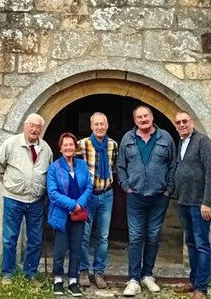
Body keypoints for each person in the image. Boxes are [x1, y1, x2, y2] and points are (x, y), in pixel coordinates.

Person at [117, 105, 176, 296]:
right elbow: (121, 166)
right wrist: (126, 186)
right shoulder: (128, 139)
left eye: (146, 116)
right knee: (135, 237)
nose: (143, 119)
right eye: (139, 117)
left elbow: (173, 165)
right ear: (135, 121)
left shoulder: (165, 138)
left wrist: (169, 189)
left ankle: (147, 275)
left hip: (159, 197)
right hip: (135, 197)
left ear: (152, 116)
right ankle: (133, 279)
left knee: (152, 236)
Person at [0, 113, 53, 285]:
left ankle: (30, 274)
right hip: (14, 198)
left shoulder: (46, 149)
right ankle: (7, 274)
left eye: (38, 127)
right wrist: (9, 183)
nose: (34, 129)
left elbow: (49, 172)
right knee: (10, 238)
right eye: (31, 125)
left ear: (41, 129)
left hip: (36, 200)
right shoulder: (11, 144)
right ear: (25, 126)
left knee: (34, 239)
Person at [173, 111, 211, 299]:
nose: (182, 125)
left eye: (185, 121)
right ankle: (193, 280)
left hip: (199, 204)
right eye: (178, 123)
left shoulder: (202, 141)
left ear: (191, 122)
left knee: (201, 245)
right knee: (190, 243)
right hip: (183, 201)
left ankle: (202, 289)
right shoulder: (181, 142)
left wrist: (206, 202)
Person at [47, 132, 92, 297]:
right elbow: (52, 193)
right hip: (61, 213)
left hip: (78, 214)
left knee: (76, 248)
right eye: (65, 145)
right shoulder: (54, 167)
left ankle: (73, 280)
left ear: (75, 147)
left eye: (71, 145)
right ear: (60, 148)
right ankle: (58, 279)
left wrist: (79, 204)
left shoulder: (82, 165)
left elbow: (88, 187)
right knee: (59, 249)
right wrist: (72, 205)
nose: (68, 147)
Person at [77, 112, 118, 289]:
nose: (100, 127)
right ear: (91, 126)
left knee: (103, 236)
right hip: (88, 196)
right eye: (96, 124)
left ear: (107, 125)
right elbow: (74, 167)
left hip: (107, 194)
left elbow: (114, 166)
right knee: (84, 236)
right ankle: (83, 270)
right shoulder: (82, 144)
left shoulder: (113, 145)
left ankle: (99, 272)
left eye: (103, 124)